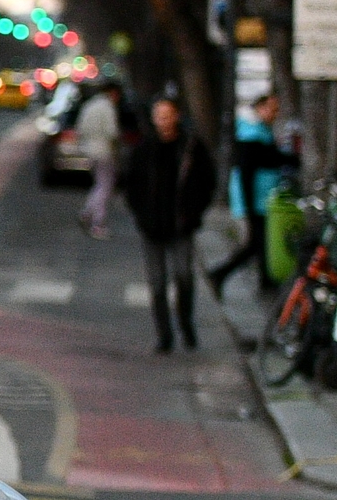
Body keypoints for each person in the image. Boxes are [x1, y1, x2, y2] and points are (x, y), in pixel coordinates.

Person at [121, 97, 218, 353]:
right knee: (157, 283)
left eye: (168, 114)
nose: (164, 121)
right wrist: (140, 214)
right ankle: (164, 335)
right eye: (159, 115)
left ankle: (186, 322)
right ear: (153, 118)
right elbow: (131, 185)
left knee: (184, 276)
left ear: (177, 116)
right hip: (151, 226)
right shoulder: (144, 149)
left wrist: (194, 212)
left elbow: (208, 181)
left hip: (181, 225)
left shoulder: (191, 148)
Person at [207, 92, 290, 296]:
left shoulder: (260, 131)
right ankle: (220, 273)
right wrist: (249, 204)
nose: (275, 114)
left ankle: (263, 280)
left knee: (260, 242)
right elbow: (246, 172)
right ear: (260, 108)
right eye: (272, 109)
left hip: (262, 198)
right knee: (256, 242)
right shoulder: (251, 134)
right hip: (256, 199)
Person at [75, 83, 123, 239]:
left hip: (89, 150)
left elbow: (80, 128)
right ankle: (97, 223)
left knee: (99, 184)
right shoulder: (107, 107)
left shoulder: (89, 105)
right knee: (105, 186)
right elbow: (112, 132)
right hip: (105, 151)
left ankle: (87, 214)